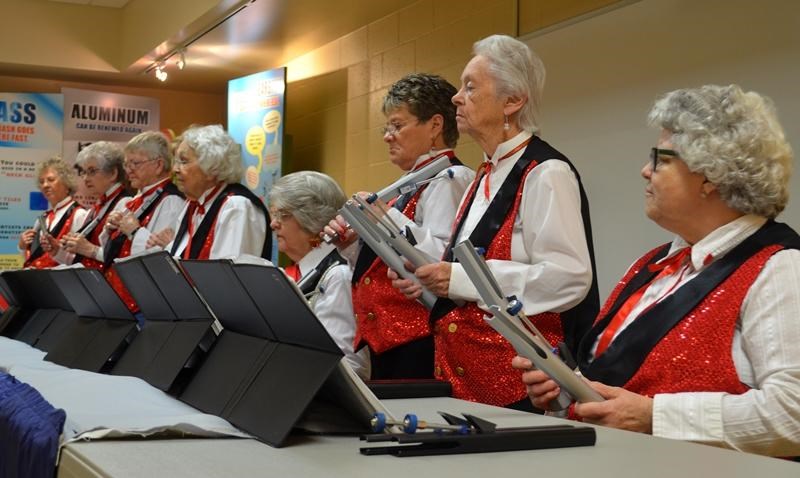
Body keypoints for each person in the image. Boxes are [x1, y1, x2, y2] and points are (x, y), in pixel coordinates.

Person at [515, 84, 800, 456]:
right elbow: (617, 386)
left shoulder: (780, 268)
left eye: (661, 159)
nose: (645, 171)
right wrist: (566, 390)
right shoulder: (654, 264)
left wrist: (653, 416)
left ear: (709, 175)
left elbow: (792, 413)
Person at [392, 35, 599, 409]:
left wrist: (458, 279)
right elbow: (465, 273)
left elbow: (569, 277)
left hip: (517, 387)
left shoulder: (546, 172)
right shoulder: (484, 174)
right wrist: (429, 279)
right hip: (462, 378)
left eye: (470, 86)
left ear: (513, 101)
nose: (457, 97)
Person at [325, 73, 474, 379]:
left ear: (434, 125)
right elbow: (384, 264)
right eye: (387, 127)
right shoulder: (410, 184)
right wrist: (351, 245)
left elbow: (443, 259)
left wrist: (384, 216)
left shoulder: (449, 178)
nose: (387, 136)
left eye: (397, 125)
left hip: (420, 341)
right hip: (391, 342)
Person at [269, 171, 369, 379]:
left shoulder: (338, 275)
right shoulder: (307, 270)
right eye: (273, 214)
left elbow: (348, 365)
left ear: (313, 216)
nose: (273, 224)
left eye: (282, 215)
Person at [154, 125, 270, 260]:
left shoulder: (236, 206)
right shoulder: (193, 204)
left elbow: (228, 273)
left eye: (184, 161)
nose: (175, 169)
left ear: (212, 168)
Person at [101, 131, 185, 311]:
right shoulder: (135, 200)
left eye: (135, 163)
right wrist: (110, 230)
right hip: (120, 296)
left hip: (144, 304)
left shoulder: (171, 201)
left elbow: (160, 257)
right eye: (126, 163)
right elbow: (113, 253)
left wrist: (134, 232)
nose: (128, 170)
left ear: (158, 165)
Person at [51, 142, 131, 269]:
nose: (85, 178)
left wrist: (90, 249)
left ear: (113, 173)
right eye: (83, 172)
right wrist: (57, 251)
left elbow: (124, 256)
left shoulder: (125, 203)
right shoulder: (97, 207)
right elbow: (82, 258)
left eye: (92, 171)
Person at [18, 156, 87, 269]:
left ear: (67, 183)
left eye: (51, 180)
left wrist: (58, 251)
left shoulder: (79, 215)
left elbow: (81, 261)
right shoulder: (42, 219)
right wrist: (22, 247)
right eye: (41, 182)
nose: (45, 185)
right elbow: (34, 260)